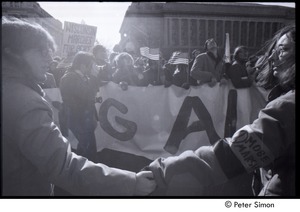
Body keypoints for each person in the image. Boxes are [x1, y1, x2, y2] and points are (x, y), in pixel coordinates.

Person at [2, 17, 156, 196]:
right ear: (12, 53)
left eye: (49, 51)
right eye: (42, 51)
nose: (50, 58)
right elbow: (64, 166)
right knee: (85, 149)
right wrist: (131, 183)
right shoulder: (25, 102)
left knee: (88, 149)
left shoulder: (15, 93)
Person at [145, 25, 295, 196]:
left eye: (283, 50)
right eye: (274, 51)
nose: (272, 58)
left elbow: (234, 154)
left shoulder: (289, 106)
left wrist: (161, 173)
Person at [59, 51, 100, 162]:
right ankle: (85, 173)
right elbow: (87, 95)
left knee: (85, 148)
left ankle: (82, 171)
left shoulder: (80, 76)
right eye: (91, 65)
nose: (93, 68)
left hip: (83, 119)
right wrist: (94, 77)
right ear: (82, 65)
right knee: (89, 150)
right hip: (78, 118)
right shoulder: (70, 77)